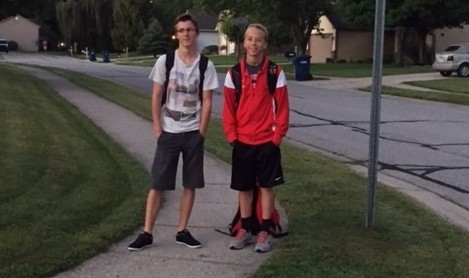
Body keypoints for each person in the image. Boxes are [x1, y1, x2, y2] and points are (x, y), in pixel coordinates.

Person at [128, 13, 218, 251]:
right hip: (169, 131)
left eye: (189, 30)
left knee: (190, 183)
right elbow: (157, 95)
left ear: (196, 33)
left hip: (192, 133)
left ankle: (182, 231)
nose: (186, 34)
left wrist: (201, 132)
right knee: (157, 183)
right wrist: (158, 127)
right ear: (176, 34)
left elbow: (207, 101)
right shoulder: (165, 61)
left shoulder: (205, 65)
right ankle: (147, 233)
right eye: (181, 30)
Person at [222, 23, 289, 253]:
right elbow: (228, 109)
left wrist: (277, 137)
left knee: (268, 186)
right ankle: (246, 228)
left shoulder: (274, 72)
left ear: (265, 44)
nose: (253, 44)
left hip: (267, 141)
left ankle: (264, 230)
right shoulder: (234, 73)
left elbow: (282, 108)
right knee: (245, 187)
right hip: (242, 141)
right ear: (244, 42)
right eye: (249, 39)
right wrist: (232, 136)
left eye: (258, 40)